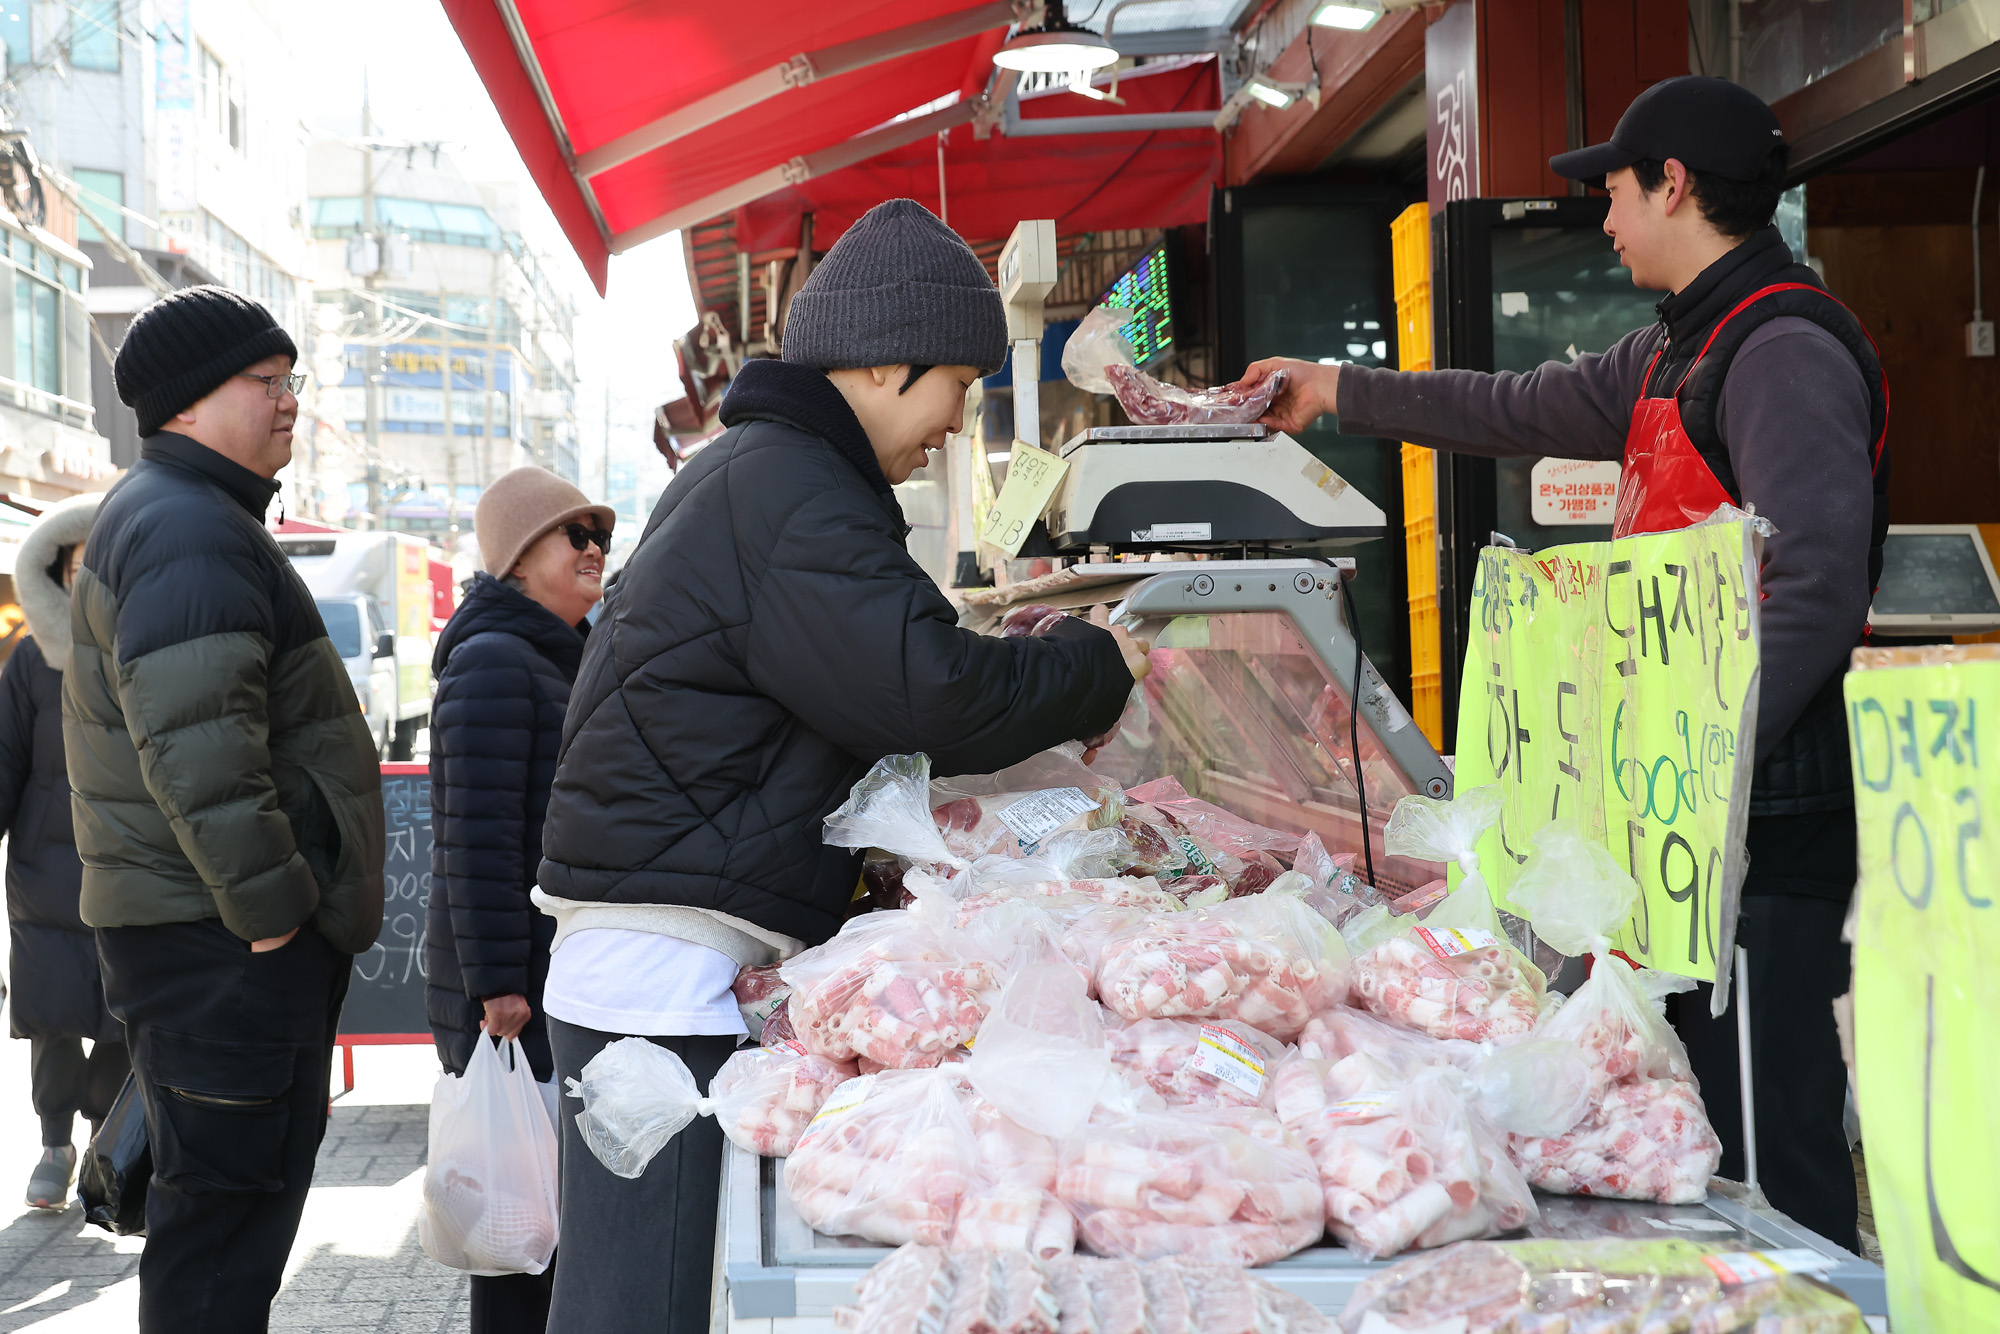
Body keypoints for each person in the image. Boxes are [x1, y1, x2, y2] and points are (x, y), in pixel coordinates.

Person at [1239, 77, 1884, 1251]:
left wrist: (1710, 772)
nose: (1602, 218)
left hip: (1763, 822)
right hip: (1671, 821)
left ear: (1673, 186)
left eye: (1615, 191)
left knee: (1763, 1130)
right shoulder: (1672, 349)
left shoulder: (1783, 351)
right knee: (1677, 1126)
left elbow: (1818, 586)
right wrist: (1333, 389)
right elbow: (1516, 405)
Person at [532, 198, 1148, 1332]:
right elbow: (930, 692)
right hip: (659, 975)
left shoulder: (768, 474)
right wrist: (1089, 661)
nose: (951, 429)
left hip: (654, 951)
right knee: (640, 1303)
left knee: (646, 1293)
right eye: (953, 389)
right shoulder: (787, 491)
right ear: (882, 363)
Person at [70, 285, 385, 1331]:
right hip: (221, 949)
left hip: (206, 945)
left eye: (289, 379)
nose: (289, 401)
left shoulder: (183, 515)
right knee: (220, 1238)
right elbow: (200, 754)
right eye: (268, 381)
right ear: (192, 401)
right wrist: (276, 915)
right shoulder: (185, 528)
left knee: (221, 1225)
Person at [426, 466, 613, 1334]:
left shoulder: (554, 655)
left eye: (597, 534)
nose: (592, 549)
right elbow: (476, 836)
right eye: (570, 534)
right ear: (513, 559)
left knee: (545, 1210)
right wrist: (499, 984)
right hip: (513, 992)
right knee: (516, 1222)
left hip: (546, 972)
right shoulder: (496, 661)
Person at [1, 493, 128, 1209]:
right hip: (44, 878)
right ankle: (54, 1140)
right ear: (55, 572)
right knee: (50, 1016)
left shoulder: (142, 648)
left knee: (121, 1016)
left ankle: (104, 1134)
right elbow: (5, 759)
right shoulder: (27, 662)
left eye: (97, 567)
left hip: (125, 870)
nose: (86, 581)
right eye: (75, 567)